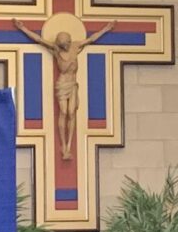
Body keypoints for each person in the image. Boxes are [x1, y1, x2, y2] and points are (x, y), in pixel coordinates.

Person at [13, 18, 115, 159]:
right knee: (63, 111)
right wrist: (23, 28)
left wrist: (106, 29)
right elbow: (38, 39)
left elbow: (91, 39)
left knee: (72, 113)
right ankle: (63, 145)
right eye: (62, 45)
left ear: (69, 41)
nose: (64, 47)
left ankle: (68, 145)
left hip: (72, 85)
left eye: (66, 44)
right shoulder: (56, 49)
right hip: (62, 84)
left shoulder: (75, 46)